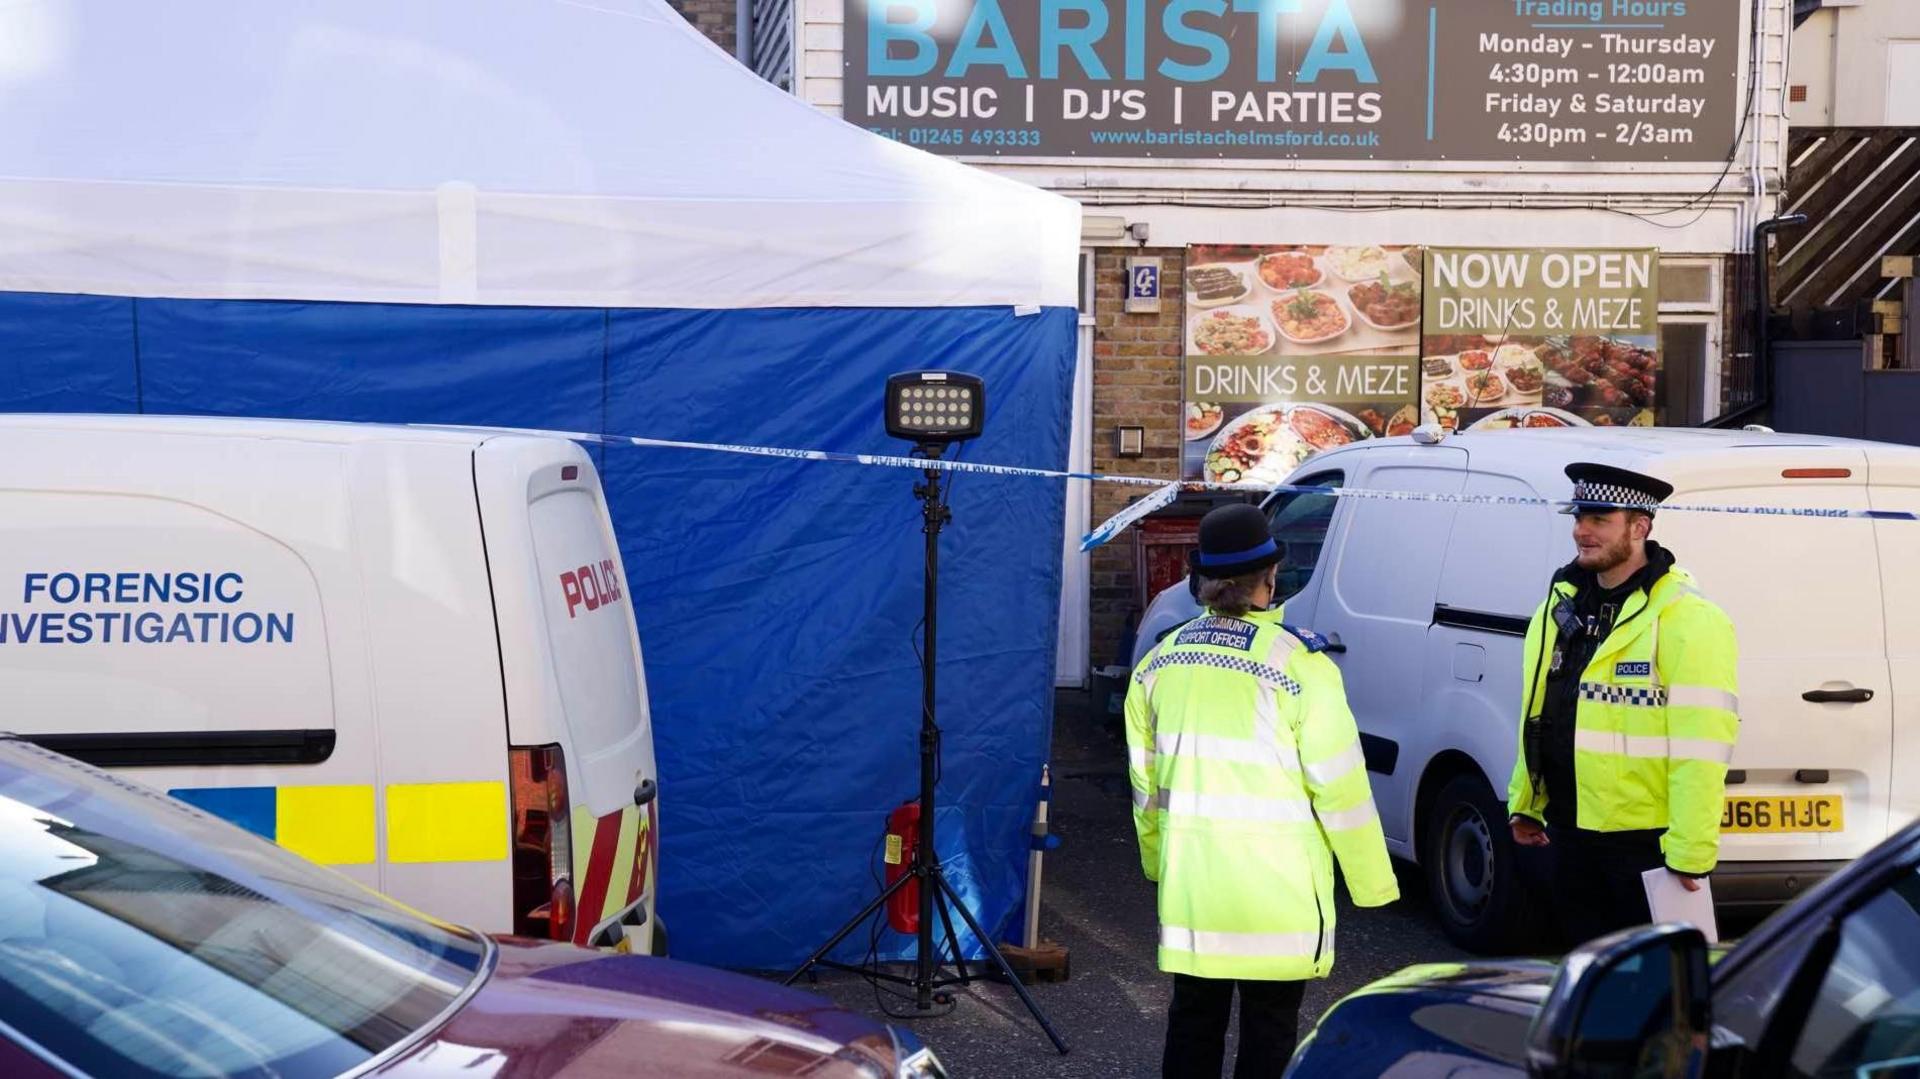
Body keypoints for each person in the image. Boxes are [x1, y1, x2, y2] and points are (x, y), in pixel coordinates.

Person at [1125, 503, 1398, 1079]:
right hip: (1279, 894)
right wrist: (1372, 884)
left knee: (1193, 1021)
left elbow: (1145, 788)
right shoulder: (1301, 665)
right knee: (1270, 1030)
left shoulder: (1157, 663)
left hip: (1195, 885)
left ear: (1201, 581)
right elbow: (1341, 788)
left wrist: (1158, 863)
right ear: (1270, 579)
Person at [1508, 462, 1740, 946]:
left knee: (1655, 992)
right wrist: (1527, 803)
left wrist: (1690, 851)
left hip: (1644, 847)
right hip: (1571, 833)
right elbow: (1540, 712)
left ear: (1640, 527)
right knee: (1587, 980)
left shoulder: (1686, 618)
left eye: (1598, 519)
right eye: (1578, 517)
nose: (1581, 530)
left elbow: (1703, 748)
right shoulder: (1562, 603)